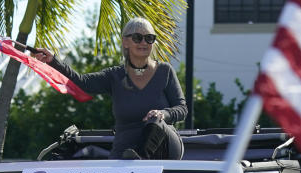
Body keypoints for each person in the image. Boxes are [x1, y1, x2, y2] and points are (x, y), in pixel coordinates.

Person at [30, 17, 186, 160]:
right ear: (125, 42)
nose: (144, 43)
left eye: (149, 38)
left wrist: (163, 114)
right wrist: (53, 61)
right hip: (125, 151)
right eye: (138, 38)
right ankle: (134, 161)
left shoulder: (165, 70)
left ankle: (141, 161)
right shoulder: (115, 75)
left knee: (155, 120)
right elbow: (82, 82)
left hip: (164, 147)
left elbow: (182, 109)